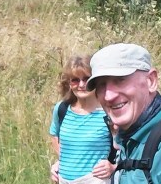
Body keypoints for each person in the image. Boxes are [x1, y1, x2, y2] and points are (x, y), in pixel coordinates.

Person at [87, 43, 161, 183]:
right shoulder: (131, 140)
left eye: (120, 80)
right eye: (101, 85)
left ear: (151, 81)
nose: (109, 96)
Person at [49, 55, 116, 184]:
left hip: (95, 180)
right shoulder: (62, 109)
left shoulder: (108, 112)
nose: (81, 85)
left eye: (86, 79)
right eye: (75, 80)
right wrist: (61, 163)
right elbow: (54, 135)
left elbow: (125, 148)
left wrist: (113, 167)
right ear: (69, 83)